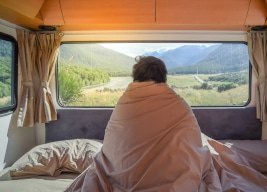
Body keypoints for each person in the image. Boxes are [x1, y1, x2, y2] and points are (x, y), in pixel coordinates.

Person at [65, 56, 217, 192]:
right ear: (163, 77)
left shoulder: (125, 103)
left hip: (124, 178)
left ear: (135, 77)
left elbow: (113, 147)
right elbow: (194, 143)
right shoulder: (179, 104)